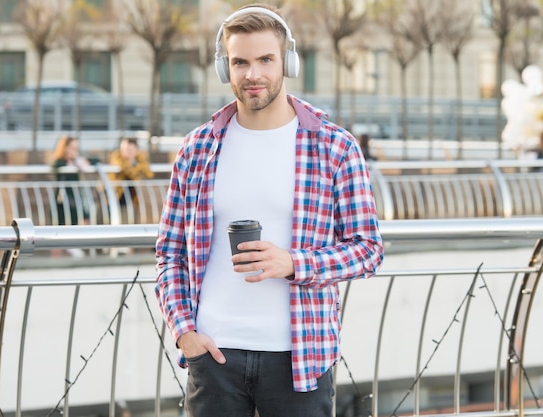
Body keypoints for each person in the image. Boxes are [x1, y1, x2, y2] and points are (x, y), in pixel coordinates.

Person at [155, 4, 384, 417]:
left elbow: (368, 249)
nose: (253, 74)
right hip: (214, 354)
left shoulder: (334, 147)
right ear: (226, 68)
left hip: (299, 356)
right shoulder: (198, 148)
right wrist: (183, 330)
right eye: (240, 62)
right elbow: (169, 252)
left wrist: (294, 262)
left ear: (288, 63)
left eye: (265, 60)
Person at [108, 137, 154, 208]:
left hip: (131, 198)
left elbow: (149, 174)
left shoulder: (140, 161)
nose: (127, 153)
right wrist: (136, 166)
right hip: (113, 196)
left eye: (130, 150)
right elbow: (128, 170)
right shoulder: (117, 158)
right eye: (124, 150)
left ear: (136, 151)